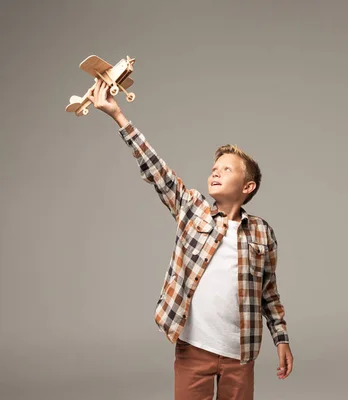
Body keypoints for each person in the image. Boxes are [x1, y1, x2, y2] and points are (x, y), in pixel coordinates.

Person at [87, 79, 293, 400]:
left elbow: (269, 293)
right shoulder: (193, 209)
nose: (216, 172)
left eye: (227, 169)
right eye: (214, 167)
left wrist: (281, 340)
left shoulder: (260, 233)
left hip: (241, 354)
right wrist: (119, 117)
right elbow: (157, 171)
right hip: (193, 349)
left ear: (247, 186)